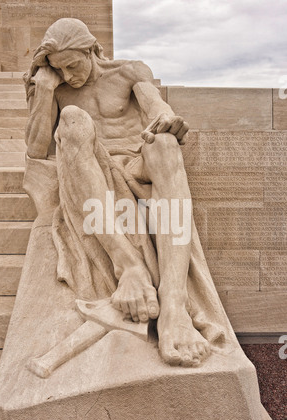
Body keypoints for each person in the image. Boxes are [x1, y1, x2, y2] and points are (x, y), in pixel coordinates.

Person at [24, 18, 224, 368]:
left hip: (135, 163)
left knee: (164, 144)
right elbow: (37, 150)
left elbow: (155, 107)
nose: (69, 76)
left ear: (91, 49)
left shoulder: (129, 72)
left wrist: (167, 120)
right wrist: (43, 91)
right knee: (72, 116)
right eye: (60, 69)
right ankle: (128, 265)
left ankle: (174, 303)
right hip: (92, 173)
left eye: (73, 65)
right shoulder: (57, 90)